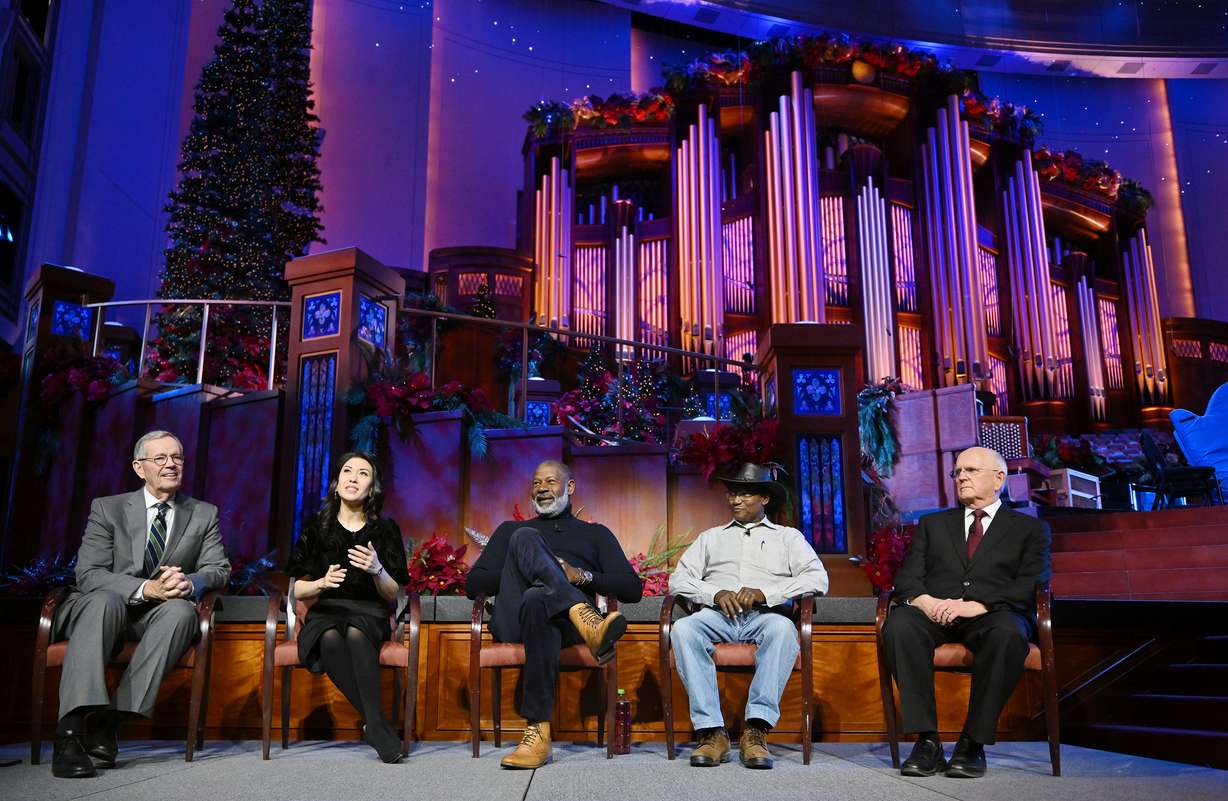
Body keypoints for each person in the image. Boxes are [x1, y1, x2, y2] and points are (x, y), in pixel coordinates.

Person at [50, 430, 230, 779]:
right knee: (104, 602)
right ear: (139, 467)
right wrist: (147, 589)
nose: (170, 465)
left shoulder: (203, 513)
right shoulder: (108, 508)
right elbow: (89, 575)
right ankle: (69, 733)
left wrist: (188, 582)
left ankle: (109, 721)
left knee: (181, 612)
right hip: (102, 609)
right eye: (160, 458)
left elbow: (218, 569)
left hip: (155, 616)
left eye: (177, 458)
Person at [882, 446, 1052, 779]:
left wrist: (978, 604)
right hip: (937, 612)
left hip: (994, 613)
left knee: (1008, 634)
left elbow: (1032, 582)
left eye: (971, 471)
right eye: (957, 472)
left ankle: (972, 742)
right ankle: (927, 741)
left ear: (998, 479)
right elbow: (907, 579)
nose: (961, 477)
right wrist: (927, 602)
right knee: (900, 624)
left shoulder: (1029, 529)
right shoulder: (932, 524)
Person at [466, 459, 643, 769]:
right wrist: (524, 567)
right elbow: (474, 584)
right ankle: (586, 618)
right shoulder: (512, 531)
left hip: (563, 629)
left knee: (538, 599)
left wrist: (582, 576)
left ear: (570, 487)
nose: (542, 488)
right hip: (514, 621)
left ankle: (537, 731)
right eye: (536, 483)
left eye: (550, 481)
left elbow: (631, 588)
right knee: (526, 540)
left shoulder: (595, 535)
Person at [669, 462, 829, 769]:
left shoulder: (788, 538)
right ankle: (712, 732)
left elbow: (817, 579)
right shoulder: (711, 538)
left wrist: (766, 594)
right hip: (718, 615)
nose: (735, 500)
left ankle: (756, 730)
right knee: (683, 630)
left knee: (783, 630)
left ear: (765, 499)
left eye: (744, 494)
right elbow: (678, 580)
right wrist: (713, 593)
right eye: (732, 493)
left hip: (765, 616)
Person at [284, 452, 410, 764]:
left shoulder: (385, 530)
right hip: (326, 609)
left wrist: (377, 568)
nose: (353, 478)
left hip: (369, 611)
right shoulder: (317, 526)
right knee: (327, 636)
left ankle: (374, 725)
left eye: (363, 473)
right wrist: (321, 584)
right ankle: (376, 723)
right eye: (347, 471)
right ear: (337, 482)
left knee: (354, 632)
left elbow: (394, 591)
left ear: (373, 487)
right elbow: (297, 588)